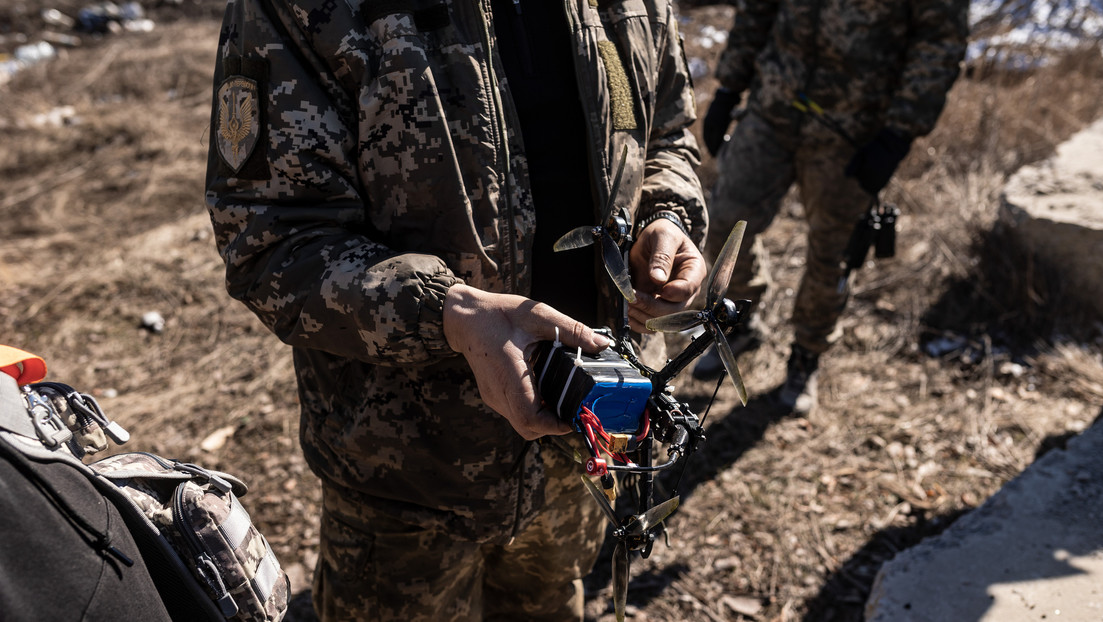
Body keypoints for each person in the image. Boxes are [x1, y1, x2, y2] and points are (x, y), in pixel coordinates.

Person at [204, 0, 708, 620]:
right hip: (407, 475)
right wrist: (448, 312)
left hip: (587, 439)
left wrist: (666, 215)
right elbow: (272, 239)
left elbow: (665, 134)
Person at [692, 0, 969, 414]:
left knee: (832, 254)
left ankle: (807, 354)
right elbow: (757, 10)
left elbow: (940, 42)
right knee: (726, 220)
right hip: (772, 110)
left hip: (853, 129)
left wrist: (898, 135)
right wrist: (729, 86)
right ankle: (742, 316)